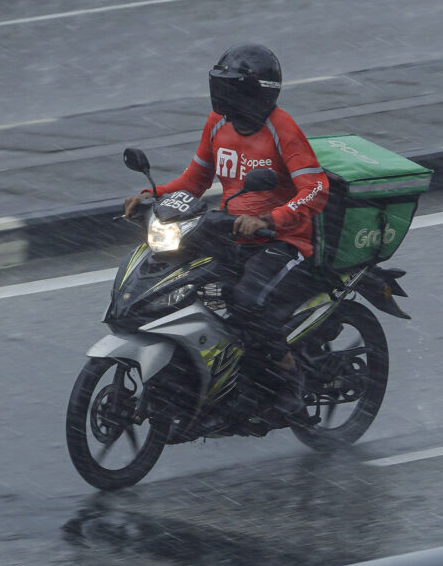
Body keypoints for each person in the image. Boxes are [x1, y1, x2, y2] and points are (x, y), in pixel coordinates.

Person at [122, 44, 329, 426]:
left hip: (283, 241)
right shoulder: (217, 124)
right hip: (230, 231)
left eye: (231, 87)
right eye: (220, 85)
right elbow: (195, 180)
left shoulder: (282, 129)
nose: (221, 94)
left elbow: (315, 188)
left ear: (255, 91)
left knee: (247, 301)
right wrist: (154, 196)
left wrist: (273, 217)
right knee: (179, 277)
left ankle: (289, 381)